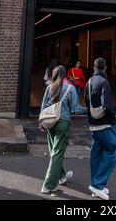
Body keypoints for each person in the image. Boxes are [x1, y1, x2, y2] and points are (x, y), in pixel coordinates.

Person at [40, 65, 86, 195]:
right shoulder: (70, 88)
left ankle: (62, 176)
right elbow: (76, 109)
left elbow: (43, 106)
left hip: (49, 123)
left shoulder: (49, 87)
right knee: (57, 153)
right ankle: (48, 185)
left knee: (54, 152)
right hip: (63, 123)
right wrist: (89, 110)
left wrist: (41, 123)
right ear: (65, 75)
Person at [84, 57, 116, 201]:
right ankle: (98, 185)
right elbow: (108, 105)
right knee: (112, 151)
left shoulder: (89, 82)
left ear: (94, 67)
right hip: (104, 124)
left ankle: (95, 185)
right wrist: (113, 120)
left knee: (96, 154)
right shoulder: (104, 82)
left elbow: (86, 102)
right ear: (105, 68)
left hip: (93, 124)